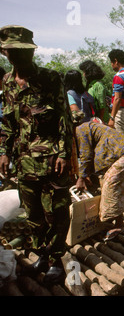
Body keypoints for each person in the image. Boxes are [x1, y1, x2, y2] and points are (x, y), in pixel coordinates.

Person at [0, 25, 73, 284]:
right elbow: (7, 123)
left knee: (57, 211)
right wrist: (4, 153)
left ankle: (56, 260)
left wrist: (64, 154)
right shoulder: (7, 82)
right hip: (24, 163)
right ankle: (42, 254)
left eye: (26, 52)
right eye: (15, 52)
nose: (22, 57)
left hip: (53, 161)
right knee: (33, 216)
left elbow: (65, 120)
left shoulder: (51, 79)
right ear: (6, 53)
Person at [75, 121, 124, 241]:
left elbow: (86, 155)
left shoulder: (80, 131)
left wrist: (81, 178)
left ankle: (118, 224)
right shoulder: (87, 128)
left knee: (110, 186)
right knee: (116, 185)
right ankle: (118, 220)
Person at [79, 60, 110, 124]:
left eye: (84, 72)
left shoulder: (98, 86)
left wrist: (100, 121)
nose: (83, 74)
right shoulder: (90, 85)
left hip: (101, 120)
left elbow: (102, 105)